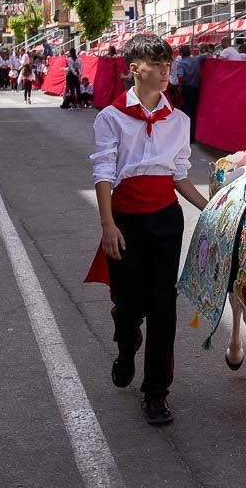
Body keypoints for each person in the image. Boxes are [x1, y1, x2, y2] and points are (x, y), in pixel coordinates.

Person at [86, 34, 208, 426]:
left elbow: (180, 176)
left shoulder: (179, 120)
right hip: (125, 221)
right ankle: (126, 347)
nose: (164, 71)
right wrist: (107, 224)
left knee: (163, 307)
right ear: (134, 69)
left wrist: (212, 210)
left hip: (165, 221)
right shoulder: (111, 117)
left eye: (167, 65)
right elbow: (104, 171)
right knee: (127, 306)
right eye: (156, 65)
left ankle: (156, 391)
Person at [175, 45, 203, 142]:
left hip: (187, 88)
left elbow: (180, 76)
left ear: (181, 53)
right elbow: (207, 55)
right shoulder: (196, 60)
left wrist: (180, 86)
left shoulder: (181, 63)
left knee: (186, 111)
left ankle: (187, 136)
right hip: (196, 88)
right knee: (194, 112)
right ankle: (193, 136)